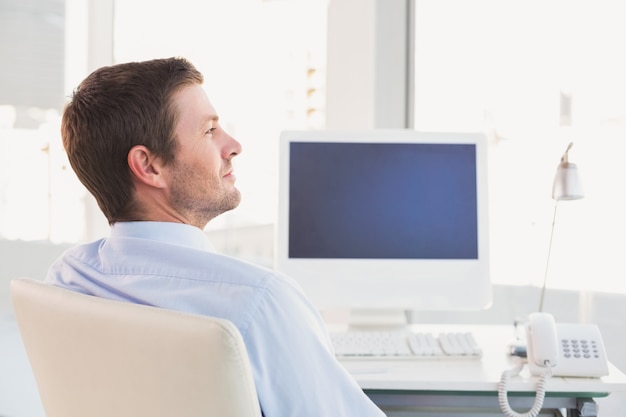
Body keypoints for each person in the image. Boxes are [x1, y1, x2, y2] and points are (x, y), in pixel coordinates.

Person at [44, 57, 386, 416]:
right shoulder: (258, 303)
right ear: (149, 166)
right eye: (209, 131)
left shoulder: (69, 279)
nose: (234, 145)